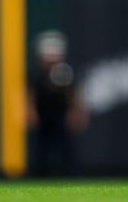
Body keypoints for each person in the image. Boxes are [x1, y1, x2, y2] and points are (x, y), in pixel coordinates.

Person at [27, 31, 88, 177]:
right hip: (43, 116)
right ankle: (40, 177)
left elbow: (73, 95)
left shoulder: (65, 73)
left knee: (66, 147)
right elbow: (30, 94)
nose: (51, 60)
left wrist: (77, 112)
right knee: (42, 150)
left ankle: (70, 175)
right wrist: (30, 112)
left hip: (61, 116)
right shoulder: (37, 75)